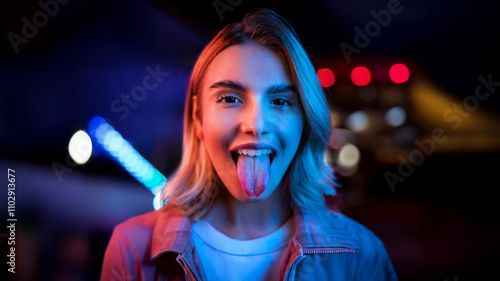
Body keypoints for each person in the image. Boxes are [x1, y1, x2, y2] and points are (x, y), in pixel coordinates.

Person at [100, 8, 398, 281]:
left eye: (281, 101)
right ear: (198, 117)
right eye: (230, 98)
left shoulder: (361, 255)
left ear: (305, 121)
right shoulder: (132, 248)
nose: (256, 124)